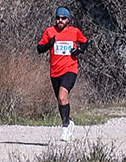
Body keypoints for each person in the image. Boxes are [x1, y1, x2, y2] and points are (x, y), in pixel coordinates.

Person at [37, 7, 88, 141]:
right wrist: (49, 44)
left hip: (70, 69)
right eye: (58, 18)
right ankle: (69, 121)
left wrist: (78, 51)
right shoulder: (49, 31)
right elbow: (39, 49)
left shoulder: (74, 32)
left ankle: (65, 126)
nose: (60, 20)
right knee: (61, 101)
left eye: (63, 18)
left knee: (62, 95)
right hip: (55, 72)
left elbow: (85, 42)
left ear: (68, 20)